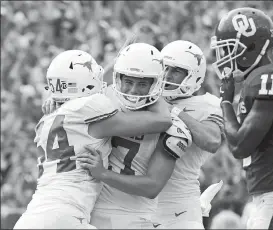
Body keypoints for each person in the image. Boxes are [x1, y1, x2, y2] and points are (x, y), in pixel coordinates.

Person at [14, 49, 172, 229]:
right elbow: (162, 120)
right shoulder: (91, 109)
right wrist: (154, 85)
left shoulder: (48, 118)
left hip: (32, 216)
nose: (101, 82)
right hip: (65, 215)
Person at [64, 43, 193, 229]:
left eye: (142, 84)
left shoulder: (173, 126)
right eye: (128, 82)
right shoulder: (103, 100)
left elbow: (153, 186)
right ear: (118, 79)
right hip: (88, 210)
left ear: (155, 84)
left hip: (131, 217)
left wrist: (103, 174)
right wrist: (57, 102)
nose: (133, 91)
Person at [211, 7, 273, 229]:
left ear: (253, 47)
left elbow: (240, 145)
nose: (225, 57)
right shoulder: (258, 80)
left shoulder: (271, 77)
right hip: (267, 196)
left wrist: (226, 102)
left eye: (230, 49)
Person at [151, 40, 224, 229]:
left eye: (175, 71)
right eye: (164, 68)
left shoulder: (206, 104)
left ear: (193, 75)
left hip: (179, 211)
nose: (166, 75)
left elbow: (212, 140)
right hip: (139, 209)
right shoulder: (147, 99)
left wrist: (173, 111)